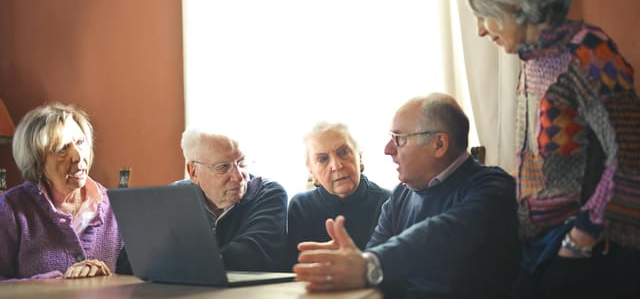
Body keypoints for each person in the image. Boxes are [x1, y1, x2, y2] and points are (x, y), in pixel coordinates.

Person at [455, 0, 640, 298]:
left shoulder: (588, 52)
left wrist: (580, 239)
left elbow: (631, 153)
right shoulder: (533, 60)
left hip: (591, 251)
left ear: (515, 3)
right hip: (545, 243)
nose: (480, 29)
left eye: (483, 13)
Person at [294, 93, 519, 298]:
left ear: (438, 144)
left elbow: (442, 232)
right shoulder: (400, 197)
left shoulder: (495, 188)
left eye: (398, 139)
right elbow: (374, 267)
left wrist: (367, 265)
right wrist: (349, 264)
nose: (387, 149)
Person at [0, 103, 128, 280]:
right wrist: (38, 288)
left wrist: (106, 276)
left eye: (80, 143)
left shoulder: (116, 207)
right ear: (37, 163)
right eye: (62, 149)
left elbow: (136, 278)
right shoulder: (11, 209)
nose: (78, 156)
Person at [172, 127, 288, 271]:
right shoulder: (176, 197)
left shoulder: (268, 194)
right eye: (223, 167)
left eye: (241, 163)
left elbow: (251, 256)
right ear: (193, 172)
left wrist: (177, 263)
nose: (239, 176)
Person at [285, 121, 390, 270]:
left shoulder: (388, 202)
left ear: (359, 157)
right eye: (322, 159)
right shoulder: (301, 206)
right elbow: (294, 270)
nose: (336, 166)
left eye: (343, 152)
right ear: (312, 172)